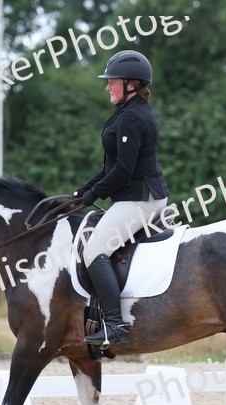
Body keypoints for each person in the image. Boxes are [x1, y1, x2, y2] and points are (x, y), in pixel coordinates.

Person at [73, 50, 170, 348]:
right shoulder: (127, 112)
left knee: (94, 251)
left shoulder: (132, 118)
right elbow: (110, 167)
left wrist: (93, 194)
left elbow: (124, 172)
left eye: (112, 82)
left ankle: (115, 324)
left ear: (131, 83)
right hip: (133, 196)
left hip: (140, 199)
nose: (107, 87)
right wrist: (83, 191)